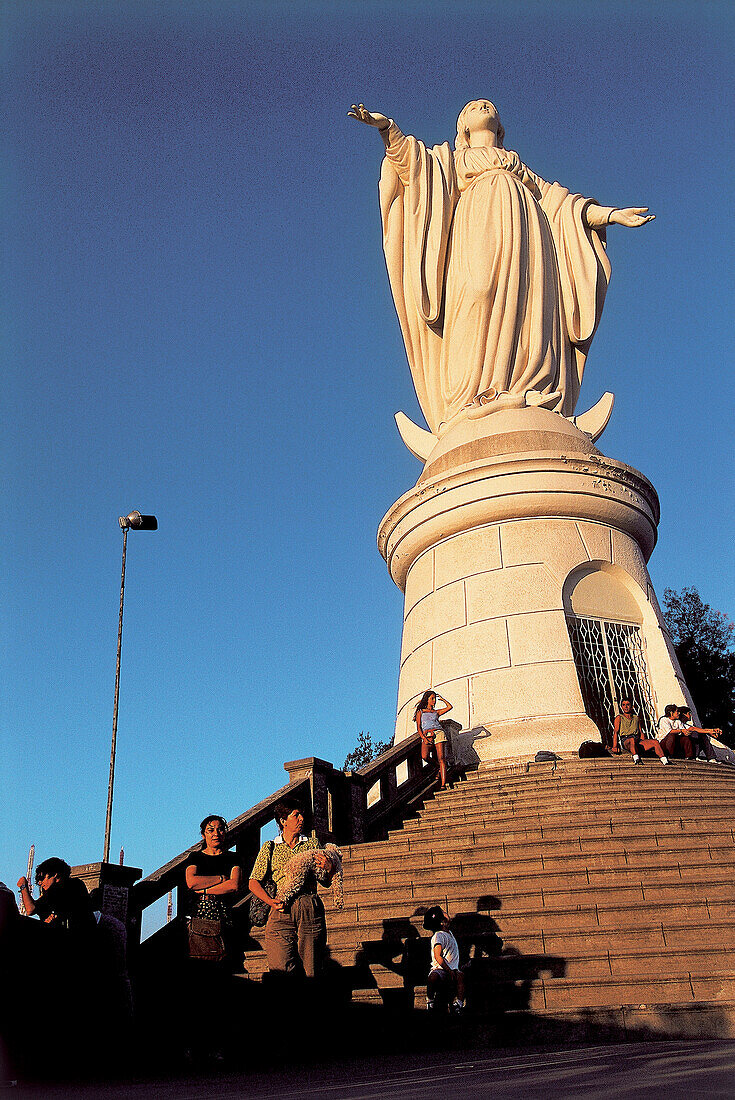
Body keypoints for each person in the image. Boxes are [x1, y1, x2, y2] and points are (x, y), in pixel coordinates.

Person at [349, 100, 653, 435]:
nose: (482, 104)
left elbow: (559, 205)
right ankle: (472, 394)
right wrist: (388, 130)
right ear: (463, 128)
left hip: (528, 241)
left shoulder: (517, 166)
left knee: (530, 309)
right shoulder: (451, 160)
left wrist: (609, 215)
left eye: (487, 105)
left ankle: (528, 385)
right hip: (476, 228)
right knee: (477, 293)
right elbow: (415, 166)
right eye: (472, 107)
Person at [248, 800, 335, 979]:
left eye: (301, 814)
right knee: (280, 967)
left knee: (312, 967)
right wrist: (270, 901)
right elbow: (253, 881)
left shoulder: (312, 844)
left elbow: (324, 881)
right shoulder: (270, 847)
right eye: (296, 815)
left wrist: (329, 868)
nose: (301, 819)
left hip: (308, 905)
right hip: (280, 908)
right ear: (283, 821)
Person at [184, 815, 243, 957]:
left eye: (220, 830)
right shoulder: (195, 857)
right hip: (199, 915)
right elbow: (192, 882)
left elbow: (233, 885)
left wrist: (204, 889)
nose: (216, 834)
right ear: (204, 834)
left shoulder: (233, 858)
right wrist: (220, 878)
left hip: (224, 915)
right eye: (210, 830)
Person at [17, 857, 95, 936]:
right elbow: (31, 909)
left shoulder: (74, 886)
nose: (40, 883)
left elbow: (31, 909)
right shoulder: (50, 894)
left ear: (55, 875)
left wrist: (24, 887)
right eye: (38, 880)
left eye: (41, 878)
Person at [423, 905, 465, 1015]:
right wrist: (448, 970)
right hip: (440, 968)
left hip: (453, 968)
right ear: (442, 922)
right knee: (433, 977)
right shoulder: (438, 936)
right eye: (444, 912)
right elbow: (438, 956)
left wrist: (453, 970)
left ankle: (459, 1004)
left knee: (461, 977)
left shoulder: (450, 933)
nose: (447, 913)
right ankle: (430, 1000)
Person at [414, 690, 453, 789]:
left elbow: (449, 707)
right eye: (432, 698)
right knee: (425, 756)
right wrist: (423, 738)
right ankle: (438, 767)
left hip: (439, 733)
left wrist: (443, 699)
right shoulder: (421, 712)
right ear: (426, 699)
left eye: (434, 698)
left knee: (441, 758)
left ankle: (443, 784)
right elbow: (418, 727)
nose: (434, 700)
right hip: (427, 735)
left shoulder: (436, 712)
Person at [613, 698, 670, 765]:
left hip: (637, 739)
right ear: (621, 707)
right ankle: (636, 759)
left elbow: (640, 731)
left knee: (655, 742)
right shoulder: (619, 717)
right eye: (623, 705)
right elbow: (616, 732)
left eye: (628, 705)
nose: (626, 707)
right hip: (626, 739)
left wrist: (643, 741)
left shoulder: (636, 718)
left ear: (632, 706)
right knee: (632, 740)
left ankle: (664, 760)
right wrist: (615, 746)